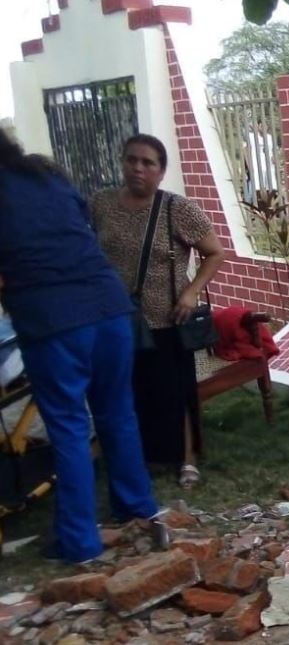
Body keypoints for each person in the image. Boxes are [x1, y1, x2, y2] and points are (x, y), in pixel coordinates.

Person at [0, 130, 159, 563]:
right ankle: (138, 508)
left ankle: (79, 543)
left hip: (54, 322)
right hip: (109, 310)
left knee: (69, 427)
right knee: (116, 413)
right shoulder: (47, 177)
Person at [90, 134, 226, 488]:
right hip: (115, 318)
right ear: (122, 162)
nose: (138, 167)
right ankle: (142, 456)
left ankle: (187, 458)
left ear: (161, 171)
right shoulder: (101, 204)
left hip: (165, 316)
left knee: (174, 390)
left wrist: (192, 292)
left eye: (148, 162)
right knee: (130, 389)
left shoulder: (176, 209)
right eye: (131, 159)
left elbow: (215, 252)